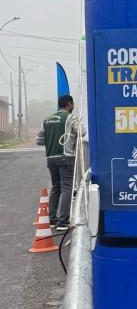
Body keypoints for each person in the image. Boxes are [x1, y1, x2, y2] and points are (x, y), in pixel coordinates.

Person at [42, 94, 75, 231]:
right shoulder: (70, 117)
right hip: (65, 157)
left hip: (50, 158)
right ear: (69, 104)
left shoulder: (47, 119)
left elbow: (39, 140)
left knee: (56, 188)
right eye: (73, 104)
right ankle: (63, 222)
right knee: (67, 188)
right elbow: (83, 132)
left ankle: (52, 220)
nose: (73, 106)